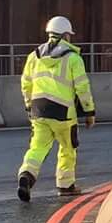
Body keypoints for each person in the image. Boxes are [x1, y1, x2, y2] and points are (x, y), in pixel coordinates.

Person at [16, 15, 95, 202]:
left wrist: (29, 106)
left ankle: (26, 175)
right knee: (67, 148)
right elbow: (82, 87)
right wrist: (89, 112)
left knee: (37, 147)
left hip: (39, 110)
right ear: (66, 36)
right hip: (63, 113)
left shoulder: (33, 57)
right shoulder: (73, 58)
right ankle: (66, 186)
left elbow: (25, 84)